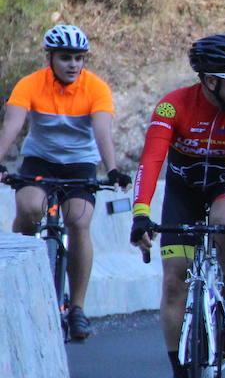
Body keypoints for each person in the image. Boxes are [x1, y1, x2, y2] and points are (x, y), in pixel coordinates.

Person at [130, 34, 225, 378]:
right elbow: (151, 161)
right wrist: (141, 213)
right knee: (174, 281)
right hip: (183, 192)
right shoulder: (172, 107)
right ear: (210, 80)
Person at [0, 24, 130, 340]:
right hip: (40, 162)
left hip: (79, 165)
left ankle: (78, 309)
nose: (73, 64)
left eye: (79, 58)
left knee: (79, 220)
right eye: (65, 58)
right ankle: (20, 270)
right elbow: (12, 124)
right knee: (30, 209)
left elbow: (102, 132)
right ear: (51, 58)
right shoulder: (30, 84)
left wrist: (111, 169)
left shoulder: (95, 88)